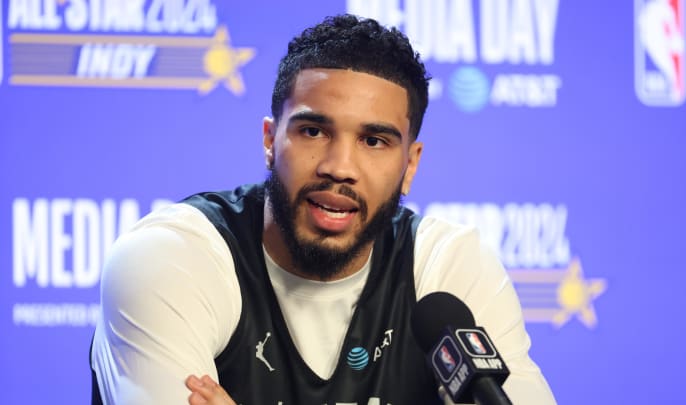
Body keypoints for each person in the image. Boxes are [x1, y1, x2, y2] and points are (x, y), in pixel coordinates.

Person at [90, 14, 556, 405]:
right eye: (313, 131)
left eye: (374, 141)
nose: (340, 168)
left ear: (409, 165)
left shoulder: (448, 266)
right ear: (271, 140)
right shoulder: (172, 257)